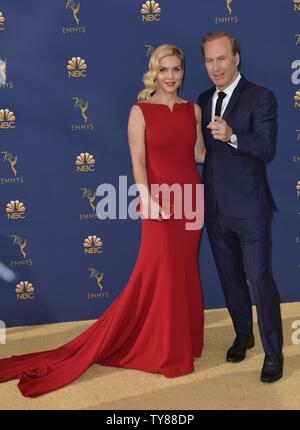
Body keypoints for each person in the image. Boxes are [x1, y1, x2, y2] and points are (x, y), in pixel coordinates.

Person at [0, 44, 206, 397]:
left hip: (191, 200)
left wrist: (223, 134)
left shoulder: (194, 110)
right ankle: (168, 352)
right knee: (161, 273)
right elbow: (138, 162)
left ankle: (186, 342)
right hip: (158, 203)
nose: (171, 76)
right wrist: (147, 199)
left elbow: (199, 153)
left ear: (183, 72)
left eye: (176, 70)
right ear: (154, 72)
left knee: (184, 270)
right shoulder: (140, 111)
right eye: (164, 69)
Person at [197, 31, 283, 382]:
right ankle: (243, 334)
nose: (215, 67)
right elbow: (200, 153)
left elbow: (266, 148)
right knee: (229, 278)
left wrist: (232, 135)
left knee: (259, 279)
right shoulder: (202, 99)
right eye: (208, 60)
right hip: (215, 206)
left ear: (236, 59)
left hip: (249, 208)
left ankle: (273, 353)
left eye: (221, 58)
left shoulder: (261, 97)